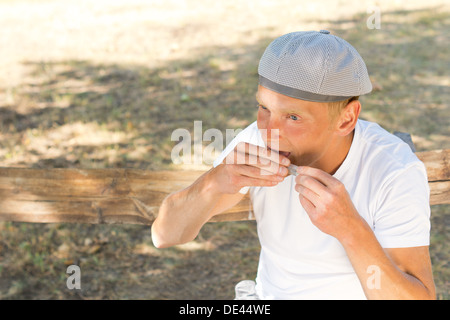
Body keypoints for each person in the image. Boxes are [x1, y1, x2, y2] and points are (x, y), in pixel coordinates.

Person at [151, 30, 436, 299]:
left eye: (293, 117)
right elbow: (164, 235)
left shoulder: (393, 170)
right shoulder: (254, 142)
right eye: (264, 108)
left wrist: (351, 230)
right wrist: (213, 182)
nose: (270, 131)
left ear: (346, 119)